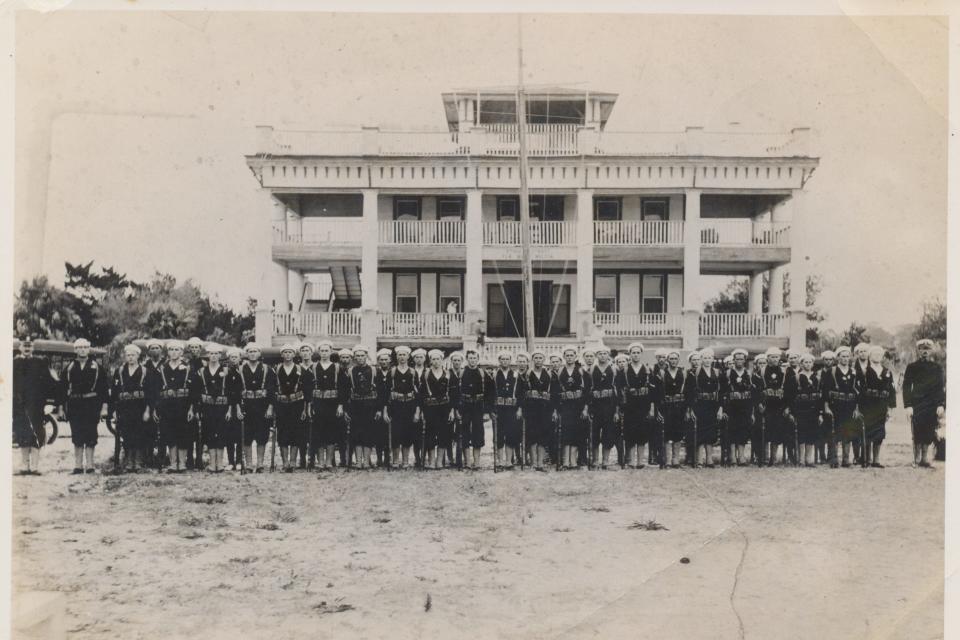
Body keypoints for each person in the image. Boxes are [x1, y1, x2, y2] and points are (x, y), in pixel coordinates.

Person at [189, 343, 242, 473]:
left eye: (216, 354)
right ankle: (212, 463)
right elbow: (195, 392)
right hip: (206, 407)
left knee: (222, 433)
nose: (213, 356)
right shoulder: (201, 371)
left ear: (220, 355)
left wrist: (230, 409)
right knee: (209, 434)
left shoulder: (226, 371)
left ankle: (220, 463)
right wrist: (195, 409)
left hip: (222, 407)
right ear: (208, 355)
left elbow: (232, 393)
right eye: (211, 354)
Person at [60, 338, 109, 474]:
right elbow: (62, 390)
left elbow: (104, 389)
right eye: (79, 347)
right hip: (75, 405)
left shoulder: (97, 367)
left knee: (91, 434)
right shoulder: (69, 368)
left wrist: (104, 407)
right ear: (75, 350)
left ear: (89, 349)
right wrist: (61, 408)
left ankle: (90, 465)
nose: (82, 350)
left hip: (91, 405)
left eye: (85, 347)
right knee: (77, 434)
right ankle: (78, 465)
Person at [12, 336, 58, 475]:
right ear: (19, 347)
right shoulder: (12, 363)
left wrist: (51, 403)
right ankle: (24, 466)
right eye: (24, 346)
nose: (27, 348)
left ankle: (35, 466)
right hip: (18, 406)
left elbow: (49, 384)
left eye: (29, 346)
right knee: (22, 434)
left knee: (37, 434)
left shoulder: (40, 363)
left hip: (36, 405)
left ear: (33, 348)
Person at [902, 339, 946, 468]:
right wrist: (908, 405)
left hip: (931, 404)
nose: (925, 351)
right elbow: (906, 387)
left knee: (929, 430)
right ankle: (916, 458)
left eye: (927, 349)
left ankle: (925, 458)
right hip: (917, 403)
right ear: (918, 350)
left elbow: (940, 387)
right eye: (922, 349)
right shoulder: (912, 367)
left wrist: (941, 404)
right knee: (917, 430)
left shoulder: (937, 368)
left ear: (931, 350)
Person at [110, 344, 153, 472]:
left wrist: (147, 410)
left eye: (133, 355)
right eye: (128, 355)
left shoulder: (145, 371)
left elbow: (150, 393)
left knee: (140, 433)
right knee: (127, 434)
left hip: (140, 406)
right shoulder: (120, 371)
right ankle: (128, 461)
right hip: (124, 407)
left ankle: (138, 461)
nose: (130, 358)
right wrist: (113, 410)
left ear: (138, 356)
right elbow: (114, 392)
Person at [615, 342, 657, 469]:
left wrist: (651, 408)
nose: (636, 355)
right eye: (633, 352)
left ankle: (640, 460)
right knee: (630, 432)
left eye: (638, 352)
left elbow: (653, 391)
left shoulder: (648, 370)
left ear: (641, 354)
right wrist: (620, 407)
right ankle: (631, 460)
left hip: (644, 405)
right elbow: (619, 389)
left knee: (642, 433)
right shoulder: (624, 371)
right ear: (630, 354)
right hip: (630, 406)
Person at [153, 340, 193, 472]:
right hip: (167, 406)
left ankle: (182, 463)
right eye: (171, 350)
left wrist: (192, 408)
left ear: (181, 352)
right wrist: (156, 408)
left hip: (183, 405)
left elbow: (193, 391)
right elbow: (156, 391)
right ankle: (173, 463)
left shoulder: (187, 368)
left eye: (177, 350)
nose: (174, 352)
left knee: (183, 434)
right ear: (168, 352)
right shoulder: (162, 369)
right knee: (170, 434)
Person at [274, 343, 314, 472]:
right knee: (283, 433)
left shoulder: (301, 370)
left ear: (294, 354)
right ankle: (285, 462)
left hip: (297, 404)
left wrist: (305, 408)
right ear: (281, 355)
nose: (287, 355)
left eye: (290, 352)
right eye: (285, 352)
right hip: (282, 405)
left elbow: (307, 391)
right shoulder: (277, 369)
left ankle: (292, 462)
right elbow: (273, 389)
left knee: (296, 433)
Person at [238, 343, 277, 473]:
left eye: (255, 351)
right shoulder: (241, 369)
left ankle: (260, 464)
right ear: (246, 354)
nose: (253, 353)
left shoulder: (267, 369)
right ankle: (249, 464)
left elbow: (272, 390)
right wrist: (238, 408)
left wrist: (270, 407)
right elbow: (235, 391)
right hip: (247, 406)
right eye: (250, 351)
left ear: (259, 354)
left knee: (262, 435)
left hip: (262, 406)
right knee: (247, 436)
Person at [821, 346, 861, 467]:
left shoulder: (854, 372)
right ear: (838, 358)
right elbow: (825, 391)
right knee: (833, 432)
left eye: (847, 356)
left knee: (847, 432)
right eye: (842, 356)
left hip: (849, 405)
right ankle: (833, 458)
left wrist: (856, 408)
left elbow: (858, 392)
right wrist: (826, 407)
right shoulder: (831, 371)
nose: (845, 359)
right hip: (835, 406)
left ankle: (845, 459)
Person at [686, 348, 725, 467]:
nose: (707, 360)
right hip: (699, 405)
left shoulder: (718, 373)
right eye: (705, 358)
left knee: (711, 432)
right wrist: (690, 409)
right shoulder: (694, 374)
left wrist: (720, 408)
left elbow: (722, 392)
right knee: (699, 432)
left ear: (712, 359)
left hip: (713, 405)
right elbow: (689, 393)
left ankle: (709, 459)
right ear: (701, 359)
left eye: (709, 358)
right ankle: (699, 459)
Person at [858, 345, 896, 468]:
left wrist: (890, 408)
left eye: (880, 355)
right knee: (867, 431)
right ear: (870, 356)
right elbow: (860, 390)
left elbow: (891, 390)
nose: (877, 357)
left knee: (879, 433)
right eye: (874, 354)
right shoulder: (865, 371)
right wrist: (859, 407)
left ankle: (876, 460)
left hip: (882, 405)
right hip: (868, 405)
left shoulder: (887, 372)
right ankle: (866, 459)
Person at [519, 349, 557, 471]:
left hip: (545, 408)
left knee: (542, 435)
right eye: (536, 358)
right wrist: (521, 408)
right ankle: (533, 463)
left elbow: (555, 394)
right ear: (532, 360)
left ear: (544, 360)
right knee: (531, 435)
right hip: (531, 408)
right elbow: (520, 393)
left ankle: (540, 463)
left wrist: (554, 410)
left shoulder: (550, 375)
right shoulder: (526, 374)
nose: (538, 360)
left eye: (541, 358)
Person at [458, 349, 493, 470]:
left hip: (478, 406)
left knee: (478, 432)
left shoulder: (483, 374)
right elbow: (456, 393)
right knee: (465, 432)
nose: (472, 360)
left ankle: (477, 461)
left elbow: (490, 394)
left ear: (478, 359)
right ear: (467, 359)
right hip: (465, 406)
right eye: (470, 358)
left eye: (474, 358)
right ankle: (467, 461)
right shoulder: (462, 374)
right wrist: (458, 409)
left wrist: (487, 411)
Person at [785, 353, 823, 467]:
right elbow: (789, 397)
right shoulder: (795, 378)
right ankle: (801, 459)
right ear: (801, 364)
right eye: (805, 362)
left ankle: (809, 459)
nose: (808, 364)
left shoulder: (817, 378)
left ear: (813, 364)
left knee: (811, 434)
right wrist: (791, 412)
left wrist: (820, 413)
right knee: (801, 433)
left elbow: (820, 397)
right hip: (800, 410)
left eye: (810, 362)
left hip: (813, 410)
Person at [346, 345, 379, 469]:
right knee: (357, 434)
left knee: (369, 434)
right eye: (357, 356)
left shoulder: (374, 370)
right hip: (356, 406)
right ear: (354, 357)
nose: (360, 358)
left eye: (362, 355)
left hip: (370, 406)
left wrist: (379, 409)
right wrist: (346, 409)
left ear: (366, 356)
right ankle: (359, 461)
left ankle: (366, 461)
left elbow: (380, 391)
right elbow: (346, 392)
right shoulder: (350, 371)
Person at [557, 346, 590, 470]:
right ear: (564, 357)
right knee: (565, 432)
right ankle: (565, 461)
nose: (569, 357)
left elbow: (587, 392)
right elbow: (555, 391)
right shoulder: (560, 372)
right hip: (565, 406)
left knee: (577, 432)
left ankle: (573, 461)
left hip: (578, 406)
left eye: (572, 355)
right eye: (567, 355)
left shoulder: (582, 372)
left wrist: (585, 408)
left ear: (575, 357)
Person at [388, 345, 421, 468]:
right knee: (396, 433)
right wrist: (386, 410)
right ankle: (396, 460)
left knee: (407, 433)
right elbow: (387, 392)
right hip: (396, 405)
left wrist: (417, 412)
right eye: (399, 355)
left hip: (409, 405)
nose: (402, 357)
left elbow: (418, 394)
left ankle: (406, 460)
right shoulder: (392, 372)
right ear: (396, 357)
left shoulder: (413, 372)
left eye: (404, 355)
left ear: (408, 357)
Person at [724, 348, 758, 466]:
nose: (739, 361)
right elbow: (724, 392)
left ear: (744, 360)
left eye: (741, 359)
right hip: (732, 406)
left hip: (745, 406)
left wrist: (752, 411)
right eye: (737, 359)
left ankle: (742, 456)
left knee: (743, 430)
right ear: (733, 360)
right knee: (732, 430)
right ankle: (732, 456)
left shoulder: (749, 374)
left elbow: (753, 394)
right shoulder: (728, 373)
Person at [421, 349, 453, 469]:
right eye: (433, 359)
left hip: (444, 408)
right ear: (430, 361)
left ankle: (439, 461)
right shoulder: (426, 375)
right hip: (430, 408)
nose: (436, 361)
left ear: (442, 360)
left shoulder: (448, 374)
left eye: (438, 359)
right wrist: (423, 411)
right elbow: (422, 394)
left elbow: (453, 394)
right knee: (430, 434)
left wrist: (451, 410)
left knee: (443, 434)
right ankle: (431, 461)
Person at [761, 347, 790, 465]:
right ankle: (765, 456)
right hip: (766, 405)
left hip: (779, 406)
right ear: (768, 358)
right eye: (772, 357)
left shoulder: (783, 371)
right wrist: (760, 403)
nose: (774, 359)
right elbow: (758, 389)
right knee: (765, 430)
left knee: (776, 430)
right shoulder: (762, 371)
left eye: (777, 357)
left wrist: (787, 406)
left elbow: (788, 390)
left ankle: (773, 458)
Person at [492, 351, 521, 469]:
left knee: (510, 434)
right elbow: (490, 394)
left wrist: (519, 408)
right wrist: (491, 410)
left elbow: (520, 393)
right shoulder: (494, 375)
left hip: (511, 409)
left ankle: (509, 460)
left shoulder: (515, 375)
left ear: (510, 361)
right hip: (498, 409)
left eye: (507, 359)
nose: (505, 361)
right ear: (499, 361)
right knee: (498, 435)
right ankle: (499, 460)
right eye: (502, 359)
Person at [659, 350, 686, 468]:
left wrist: (687, 409)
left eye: (675, 359)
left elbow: (688, 392)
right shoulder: (663, 373)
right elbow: (659, 393)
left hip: (680, 406)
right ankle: (668, 460)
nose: (673, 361)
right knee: (667, 432)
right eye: (671, 359)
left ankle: (676, 459)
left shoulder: (683, 373)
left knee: (678, 432)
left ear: (678, 360)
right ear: (667, 360)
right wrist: (659, 409)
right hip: (667, 406)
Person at [184, 336, 206, 469]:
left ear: (200, 349)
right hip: (187, 401)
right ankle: (189, 459)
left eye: (196, 347)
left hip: (201, 400)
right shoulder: (186, 364)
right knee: (188, 431)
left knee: (200, 432)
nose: (194, 350)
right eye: (192, 347)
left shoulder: (204, 364)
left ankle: (199, 459)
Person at [223, 347, 245, 470]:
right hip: (229, 407)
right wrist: (230, 409)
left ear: (239, 358)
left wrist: (239, 408)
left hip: (240, 406)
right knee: (229, 436)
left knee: (239, 435)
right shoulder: (227, 373)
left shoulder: (242, 372)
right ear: (229, 359)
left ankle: (239, 461)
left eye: (236, 357)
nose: (234, 359)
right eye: (232, 357)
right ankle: (231, 461)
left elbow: (239, 392)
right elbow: (230, 392)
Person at [374, 348, 394, 467]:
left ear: (390, 360)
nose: (384, 362)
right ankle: (379, 458)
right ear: (378, 361)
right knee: (378, 433)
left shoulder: (393, 373)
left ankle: (388, 458)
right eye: (381, 360)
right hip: (377, 407)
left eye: (386, 359)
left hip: (392, 406)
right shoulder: (376, 373)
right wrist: (378, 409)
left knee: (389, 434)